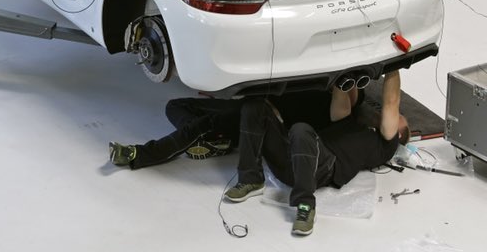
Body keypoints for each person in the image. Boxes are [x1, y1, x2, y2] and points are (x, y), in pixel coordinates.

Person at [222, 70, 408, 237]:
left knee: (301, 130)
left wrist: (394, 66)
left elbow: (391, 102)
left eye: (400, 118)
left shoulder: (385, 145)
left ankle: (305, 206)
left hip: (320, 169)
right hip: (291, 160)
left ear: (399, 133)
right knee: (255, 108)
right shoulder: (352, 125)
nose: (395, 115)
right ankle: (250, 178)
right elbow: (341, 92)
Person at [109, 89, 361, 169]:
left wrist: (345, 82)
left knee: (200, 125)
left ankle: (139, 154)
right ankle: (216, 139)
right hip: (249, 103)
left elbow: (347, 104)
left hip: (262, 119)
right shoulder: (321, 80)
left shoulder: (338, 112)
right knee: (175, 105)